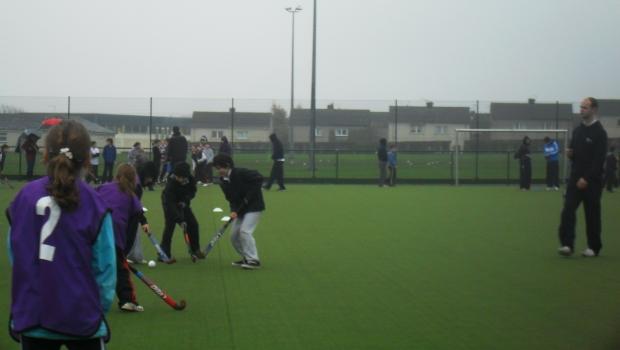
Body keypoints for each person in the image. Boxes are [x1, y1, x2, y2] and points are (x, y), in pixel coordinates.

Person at [7, 120, 116, 349]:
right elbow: (105, 270)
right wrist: (98, 309)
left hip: (34, 316)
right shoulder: (95, 204)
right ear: (87, 159)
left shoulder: (24, 197)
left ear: (45, 155)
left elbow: (15, 254)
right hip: (82, 317)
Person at [557, 97, 607, 257]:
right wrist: (570, 154)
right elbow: (574, 153)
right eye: (581, 107)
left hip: (591, 182)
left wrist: (586, 178)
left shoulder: (600, 133)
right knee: (567, 211)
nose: (581, 110)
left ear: (594, 110)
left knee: (592, 214)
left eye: (585, 107)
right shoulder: (578, 131)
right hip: (574, 179)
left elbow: (599, 160)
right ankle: (567, 244)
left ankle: (593, 247)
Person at [96, 164, 149, 312]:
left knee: (92, 266)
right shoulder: (132, 198)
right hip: (114, 234)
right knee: (121, 270)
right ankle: (128, 301)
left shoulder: (102, 188)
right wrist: (123, 253)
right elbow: (132, 230)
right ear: (134, 179)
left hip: (94, 231)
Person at [213, 154, 265, 270]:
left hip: (254, 207)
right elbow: (230, 198)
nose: (218, 171)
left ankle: (254, 260)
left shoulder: (240, 173)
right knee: (234, 237)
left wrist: (249, 197)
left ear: (227, 166)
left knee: (245, 231)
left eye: (220, 168)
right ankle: (246, 257)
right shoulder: (223, 182)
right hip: (241, 210)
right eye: (217, 168)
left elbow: (259, 178)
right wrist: (233, 210)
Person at [160, 162, 202, 261]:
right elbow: (170, 204)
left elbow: (193, 191)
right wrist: (180, 220)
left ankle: (195, 249)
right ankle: (164, 254)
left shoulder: (190, 179)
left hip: (183, 202)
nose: (178, 179)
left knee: (193, 224)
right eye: (177, 176)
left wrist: (186, 200)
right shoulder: (171, 184)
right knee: (170, 226)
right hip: (169, 203)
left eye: (181, 177)